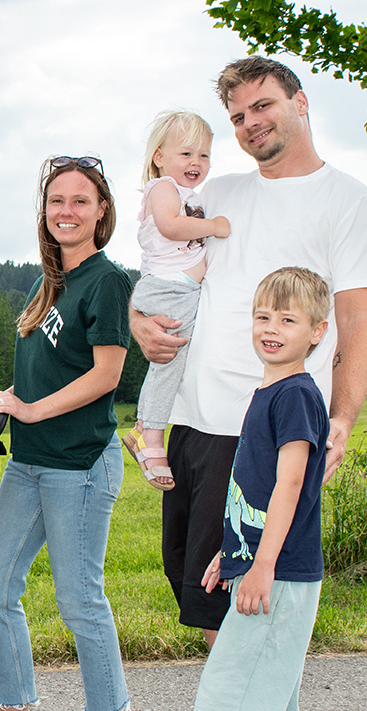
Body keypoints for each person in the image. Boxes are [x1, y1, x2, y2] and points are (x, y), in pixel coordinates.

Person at [131, 56, 367, 648]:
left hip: (267, 430)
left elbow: (360, 322)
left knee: (243, 608)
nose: (250, 123)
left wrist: (344, 420)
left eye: (263, 106)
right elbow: (163, 270)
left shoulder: (350, 202)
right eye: (237, 115)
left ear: (300, 103)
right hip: (192, 422)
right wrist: (138, 321)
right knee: (193, 590)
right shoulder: (212, 193)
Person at [0, 155, 136, 711]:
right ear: (44, 211)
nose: (66, 211)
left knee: (80, 603)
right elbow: (46, 369)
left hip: (80, 463)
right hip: (29, 461)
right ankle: (17, 702)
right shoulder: (50, 282)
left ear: (101, 211)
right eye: (56, 201)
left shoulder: (107, 281)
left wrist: (36, 410)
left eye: (79, 201)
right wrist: (1, 400)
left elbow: (107, 373)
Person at [192, 266, 333, 710]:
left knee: (228, 697)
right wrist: (233, 552)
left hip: (280, 572)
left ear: (317, 331)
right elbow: (253, 488)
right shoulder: (270, 391)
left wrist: (263, 565)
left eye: (288, 320)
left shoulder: (295, 396)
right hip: (263, 565)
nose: (272, 329)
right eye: (263, 317)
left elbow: (289, 486)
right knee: (267, 696)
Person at [118, 110, 232, 491]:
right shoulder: (163, 188)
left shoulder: (191, 194)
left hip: (177, 288)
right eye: (186, 154)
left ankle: (141, 429)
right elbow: (170, 225)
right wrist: (214, 227)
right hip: (169, 287)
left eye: (204, 155)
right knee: (170, 361)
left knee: (179, 359)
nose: (196, 163)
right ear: (159, 157)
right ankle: (150, 438)